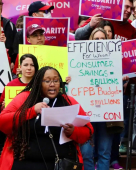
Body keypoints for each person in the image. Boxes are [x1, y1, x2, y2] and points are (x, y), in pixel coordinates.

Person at [0, 66, 94, 170]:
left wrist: (73, 131)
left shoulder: (69, 101)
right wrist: (31, 111)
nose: (52, 84)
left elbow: (88, 130)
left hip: (61, 165)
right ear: (39, 83)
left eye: (56, 80)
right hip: (26, 163)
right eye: (47, 81)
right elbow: (2, 122)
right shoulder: (25, 98)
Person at [80, 28, 114, 170]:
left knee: (104, 152)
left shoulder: (114, 58)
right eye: (96, 39)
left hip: (107, 110)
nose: (99, 42)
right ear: (90, 41)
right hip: (87, 112)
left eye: (102, 39)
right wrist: (70, 79)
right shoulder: (80, 58)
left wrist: (121, 79)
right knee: (86, 152)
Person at [12, 1, 54, 69]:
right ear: (34, 14)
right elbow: (16, 56)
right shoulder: (22, 34)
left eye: (49, 11)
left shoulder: (57, 32)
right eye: (45, 12)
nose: (48, 14)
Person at [0, 0, 17, 69]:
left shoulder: (9, 25)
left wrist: (13, 61)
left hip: (6, 66)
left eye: (0, 4)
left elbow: (15, 46)